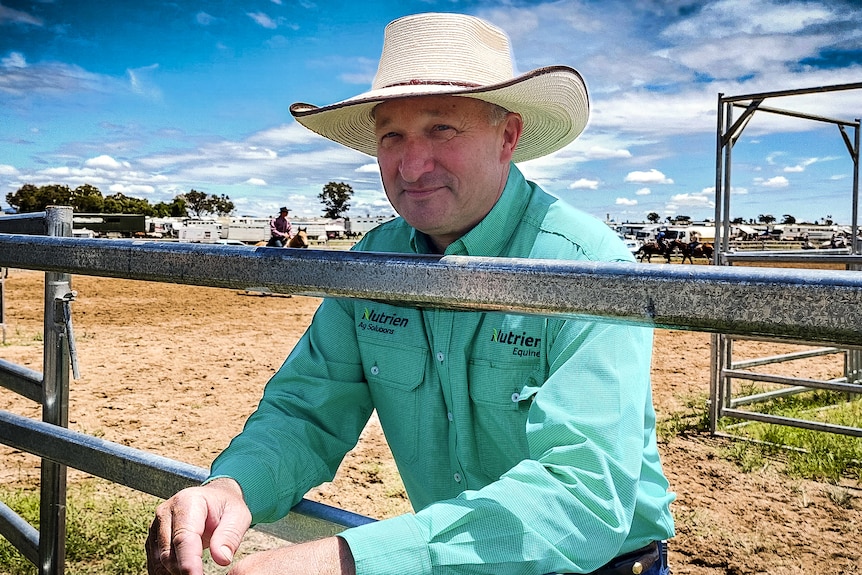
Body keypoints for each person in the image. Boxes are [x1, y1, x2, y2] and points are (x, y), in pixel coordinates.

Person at [146, 12, 675, 575]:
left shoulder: (589, 267)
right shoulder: (373, 262)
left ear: (509, 136)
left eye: (442, 129)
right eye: (392, 135)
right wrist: (234, 486)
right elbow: (309, 409)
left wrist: (347, 562)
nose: (412, 165)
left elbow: (583, 498)